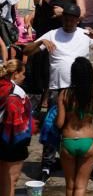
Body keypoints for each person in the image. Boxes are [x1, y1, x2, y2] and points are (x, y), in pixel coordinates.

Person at [23, 4, 93, 184]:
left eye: (73, 18)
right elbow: (26, 51)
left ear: (78, 20)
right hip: (57, 88)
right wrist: (40, 42)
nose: (69, 21)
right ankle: (47, 164)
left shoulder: (85, 35)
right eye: (66, 18)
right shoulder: (52, 34)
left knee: (85, 124)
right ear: (63, 18)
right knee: (53, 126)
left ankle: (90, 164)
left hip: (82, 89)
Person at [56, 57, 93, 196]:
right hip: (88, 141)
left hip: (68, 141)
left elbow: (59, 123)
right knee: (80, 187)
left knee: (70, 186)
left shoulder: (64, 94)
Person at [0, 60, 32, 196]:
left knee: (3, 179)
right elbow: (15, 120)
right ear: (15, 74)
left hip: (2, 137)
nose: (24, 77)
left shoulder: (2, 86)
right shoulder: (16, 93)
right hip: (12, 140)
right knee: (11, 180)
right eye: (23, 73)